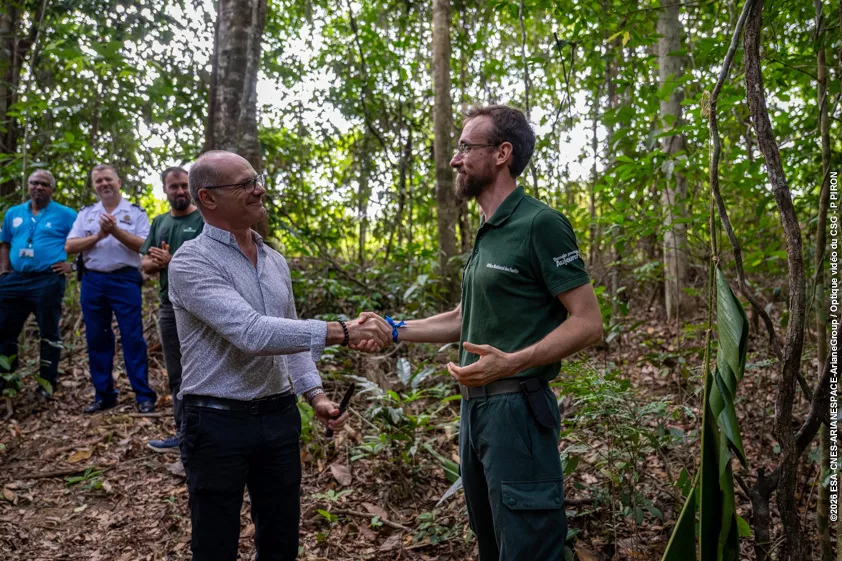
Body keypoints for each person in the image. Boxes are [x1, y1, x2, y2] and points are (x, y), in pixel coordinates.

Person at [363, 105, 603, 560]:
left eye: (466, 147)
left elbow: (588, 322)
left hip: (519, 408)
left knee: (529, 547)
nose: (455, 159)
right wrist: (393, 329)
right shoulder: (489, 231)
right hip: (475, 414)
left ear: (502, 154)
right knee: (492, 543)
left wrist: (514, 361)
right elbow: (461, 317)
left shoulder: (540, 223)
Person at [168, 150, 392, 561]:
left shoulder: (274, 260)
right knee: (214, 542)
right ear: (209, 198)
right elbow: (252, 333)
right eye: (244, 184)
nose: (259, 189)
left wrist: (316, 396)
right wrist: (342, 331)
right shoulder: (190, 261)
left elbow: (288, 334)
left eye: (257, 178)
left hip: (278, 418)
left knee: (281, 539)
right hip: (216, 422)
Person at [65, 164, 157, 414]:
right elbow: (71, 246)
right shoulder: (87, 214)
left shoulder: (135, 213)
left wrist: (115, 230)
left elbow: (144, 245)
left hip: (125, 279)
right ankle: (104, 394)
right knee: (97, 337)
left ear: (119, 183)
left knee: (132, 336)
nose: (104, 184)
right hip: (93, 281)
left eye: (108, 179)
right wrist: (98, 235)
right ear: (94, 186)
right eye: (98, 181)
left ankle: (143, 395)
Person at [140, 166, 204, 452]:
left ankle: (209, 433)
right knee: (177, 374)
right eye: (173, 187)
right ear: (164, 190)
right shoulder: (160, 222)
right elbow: (145, 265)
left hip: (201, 308)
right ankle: (184, 435)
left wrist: (171, 260)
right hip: (169, 307)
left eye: (183, 186)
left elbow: (209, 263)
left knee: (203, 369)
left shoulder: (204, 219)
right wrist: (160, 262)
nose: (179, 191)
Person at [0, 170, 77, 397]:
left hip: (47, 280)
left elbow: (86, 239)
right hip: (14, 280)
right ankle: (7, 382)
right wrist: (3, 270)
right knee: (4, 331)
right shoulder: (13, 213)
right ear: (28, 186)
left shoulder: (66, 214)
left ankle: (46, 383)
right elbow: (4, 243)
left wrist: (72, 265)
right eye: (34, 183)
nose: (38, 187)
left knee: (49, 332)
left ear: (52, 189)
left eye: (44, 184)